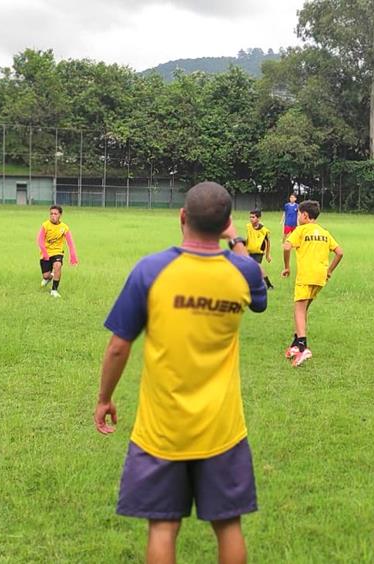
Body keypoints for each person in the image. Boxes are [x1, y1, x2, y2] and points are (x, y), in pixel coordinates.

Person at [94, 182, 267, 564]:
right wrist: (236, 239)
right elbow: (257, 287)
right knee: (228, 525)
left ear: (182, 217)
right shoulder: (242, 273)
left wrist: (105, 398)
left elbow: (119, 346)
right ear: (224, 225)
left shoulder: (151, 270)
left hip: (162, 430)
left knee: (162, 525)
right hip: (223, 429)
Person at [281, 200, 343, 367]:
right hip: (320, 277)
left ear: (305, 215)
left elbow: (287, 247)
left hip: (305, 276)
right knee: (303, 310)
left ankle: (303, 347)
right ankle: (295, 343)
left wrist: (287, 267)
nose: (297, 218)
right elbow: (339, 252)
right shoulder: (324, 232)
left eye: (299, 215)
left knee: (299, 310)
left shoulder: (300, 230)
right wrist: (329, 270)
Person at [36, 205, 78, 298]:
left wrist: (73, 256)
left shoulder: (64, 227)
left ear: (60, 215)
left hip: (58, 252)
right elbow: (39, 240)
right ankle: (49, 277)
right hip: (46, 253)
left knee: (58, 265)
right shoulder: (45, 225)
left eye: (55, 214)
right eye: (51, 214)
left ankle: (54, 290)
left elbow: (70, 242)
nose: (53, 216)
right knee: (46, 276)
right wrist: (45, 253)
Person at [245, 209, 274, 289]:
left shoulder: (264, 231)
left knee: (258, 266)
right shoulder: (248, 226)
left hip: (258, 252)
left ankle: (268, 284)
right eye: (250, 217)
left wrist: (267, 255)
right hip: (248, 251)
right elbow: (248, 238)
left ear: (258, 218)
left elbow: (268, 243)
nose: (251, 219)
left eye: (253, 217)